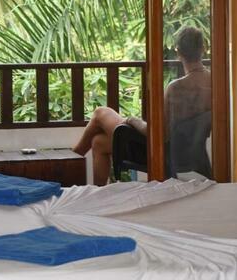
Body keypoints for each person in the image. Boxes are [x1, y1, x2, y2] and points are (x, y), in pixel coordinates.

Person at [72, 26, 211, 186]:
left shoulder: (176, 87)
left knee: (100, 112)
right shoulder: (214, 82)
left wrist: (132, 120)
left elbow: (159, 134)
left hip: (158, 151)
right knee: (99, 142)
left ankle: (69, 161)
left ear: (178, 52)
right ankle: (94, 189)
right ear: (203, 48)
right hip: (188, 151)